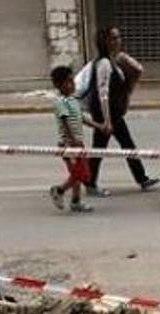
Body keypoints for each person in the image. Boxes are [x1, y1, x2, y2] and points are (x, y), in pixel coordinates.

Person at [79, 26, 160, 197]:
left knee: (124, 145)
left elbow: (136, 72)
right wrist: (106, 121)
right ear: (105, 42)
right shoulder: (104, 64)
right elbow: (103, 93)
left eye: (118, 38)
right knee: (100, 149)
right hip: (106, 113)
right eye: (114, 38)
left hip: (112, 112)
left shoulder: (112, 61)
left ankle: (141, 179)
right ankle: (90, 183)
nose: (118, 41)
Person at [49, 66, 101, 213]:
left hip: (77, 143)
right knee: (81, 173)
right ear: (59, 85)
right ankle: (59, 190)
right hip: (69, 145)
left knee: (77, 173)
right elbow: (65, 122)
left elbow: (81, 118)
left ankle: (76, 201)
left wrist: (98, 126)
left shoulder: (73, 100)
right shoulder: (61, 102)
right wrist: (72, 141)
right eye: (68, 82)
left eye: (73, 81)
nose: (73, 84)